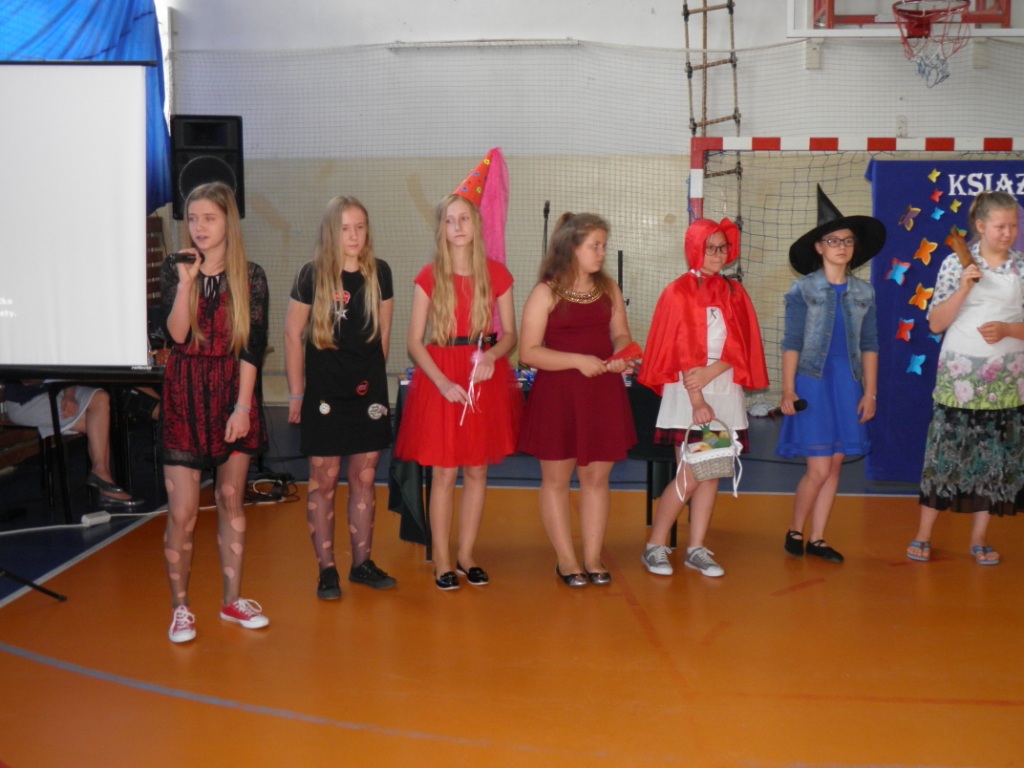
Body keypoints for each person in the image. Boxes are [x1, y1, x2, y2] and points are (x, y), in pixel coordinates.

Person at [393, 161, 522, 591]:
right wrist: (442, 382)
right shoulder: (429, 276)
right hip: (441, 377)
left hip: (481, 376)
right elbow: (414, 342)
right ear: (442, 229)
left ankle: (467, 555)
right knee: (445, 473)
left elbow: (510, 335)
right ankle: (443, 560)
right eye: (450, 221)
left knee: (478, 470)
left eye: (464, 218)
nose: (457, 227)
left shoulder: (498, 274)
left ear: (476, 223)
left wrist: (493, 356)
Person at [160, 181, 269, 643]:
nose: (199, 227)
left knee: (230, 499)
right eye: (193, 218)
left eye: (209, 218)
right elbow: (176, 337)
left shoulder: (251, 276)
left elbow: (252, 347)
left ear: (228, 222)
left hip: (231, 393)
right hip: (184, 395)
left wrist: (242, 407)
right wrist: (187, 282)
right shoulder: (176, 268)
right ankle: (181, 608)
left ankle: (232, 600)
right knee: (183, 512)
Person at [638, 218, 768, 578]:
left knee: (711, 473)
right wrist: (697, 399)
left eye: (723, 247)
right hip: (689, 393)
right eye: (710, 247)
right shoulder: (677, 292)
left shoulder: (735, 292)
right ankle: (654, 545)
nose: (718, 254)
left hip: (723, 388)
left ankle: (696, 548)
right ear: (695, 249)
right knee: (692, 471)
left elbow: (743, 343)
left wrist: (714, 372)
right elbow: (678, 349)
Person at [284, 196, 396, 599]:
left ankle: (362, 563)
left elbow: (383, 335)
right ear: (332, 231)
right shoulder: (311, 274)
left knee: (364, 478)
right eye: (346, 228)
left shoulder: (380, 272)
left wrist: (370, 383)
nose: (354, 235)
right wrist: (297, 393)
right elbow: (292, 334)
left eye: (360, 227)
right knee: (324, 481)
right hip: (324, 393)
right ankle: (327, 570)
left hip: (367, 392)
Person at [518, 212, 637, 587]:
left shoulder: (608, 288)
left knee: (597, 479)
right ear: (572, 248)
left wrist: (621, 354)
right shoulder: (546, 292)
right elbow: (529, 352)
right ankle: (567, 560)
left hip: (602, 393)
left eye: (603, 245)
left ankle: (592, 557)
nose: (601, 252)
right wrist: (577, 361)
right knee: (556, 480)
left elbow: (621, 334)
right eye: (594, 246)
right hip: (558, 396)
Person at [908, 190, 1024, 566]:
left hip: (1005, 383)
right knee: (944, 458)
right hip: (959, 381)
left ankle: (979, 538)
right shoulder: (954, 263)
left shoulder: (1021, 267)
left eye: (1013, 225)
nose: (1008, 233)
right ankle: (924, 534)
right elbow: (935, 323)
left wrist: (1009, 329)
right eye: (1000, 226)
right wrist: (963, 288)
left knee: (993, 462)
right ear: (980, 226)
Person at [775, 186, 885, 563]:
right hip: (813, 382)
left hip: (848, 382)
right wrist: (788, 389)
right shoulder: (802, 289)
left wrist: (870, 392)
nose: (841, 246)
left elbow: (870, 344)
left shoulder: (864, 292)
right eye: (833, 240)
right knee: (819, 467)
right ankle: (795, 528)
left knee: (835, 463)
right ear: (819, 247)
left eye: (848, 240)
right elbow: (792, 341)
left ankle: (818, 538)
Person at [3, 381, 143, 508]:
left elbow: (66, 371)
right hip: (26, 401)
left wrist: (69, 394)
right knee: (98, 424)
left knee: (101, 398)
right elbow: (29, 380)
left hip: (59, 389)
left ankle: (101, 474)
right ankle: (106, 487)